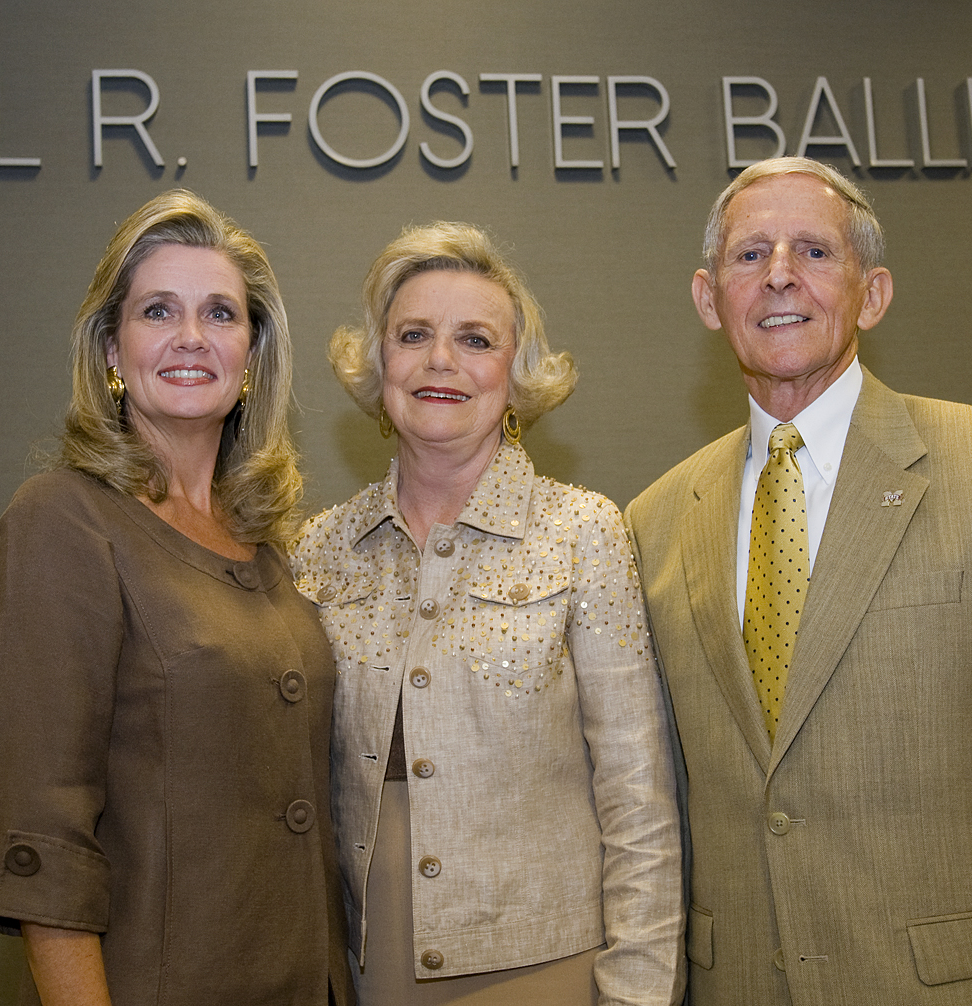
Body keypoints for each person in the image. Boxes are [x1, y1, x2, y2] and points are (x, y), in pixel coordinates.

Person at [625, 157, 972, 1005]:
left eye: (815, 252)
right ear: (708, 298)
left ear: (872, 294)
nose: (780, 274)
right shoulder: (651, 523)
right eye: (750, 254)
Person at [0, 190, 352, 1006]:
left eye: (221, 313)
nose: (191, 338)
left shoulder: (273, 547)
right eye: (157, 311)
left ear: (252, 356)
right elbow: (43, 830)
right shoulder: (62, 521)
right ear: (112, 347)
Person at [290, 222, 683, 1006]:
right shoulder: (319, 547)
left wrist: (639, 990)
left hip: (547, 974)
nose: (441, 360)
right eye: (413, 335)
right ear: (379, 365)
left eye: (475, 338)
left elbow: (638, 795)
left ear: (516, 372)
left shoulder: (582, 532)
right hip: (364, 973)